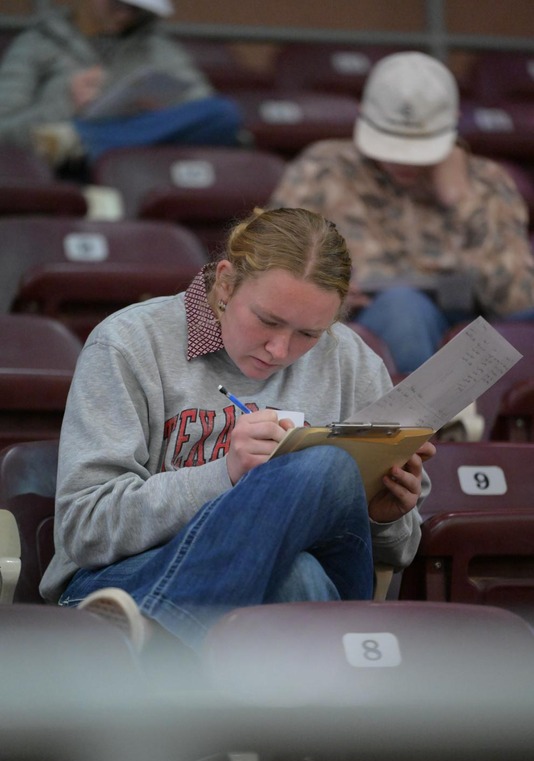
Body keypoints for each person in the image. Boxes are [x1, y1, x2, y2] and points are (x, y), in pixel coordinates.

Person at [39, 207, 434, 657]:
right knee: (298, 575)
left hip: (149, 612)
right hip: (133, 576)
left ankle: (162, 628)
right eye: (267, 321)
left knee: (326, 472)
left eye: (309, 334)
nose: (280, 349)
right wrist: (224, 474)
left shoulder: (353, 360)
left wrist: (384, 515)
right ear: (225, 283)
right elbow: (84, 528)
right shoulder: (130, 341)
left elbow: (400, 552)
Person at [269, 51, 534, 374]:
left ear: (452, 122)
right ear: (361, 114)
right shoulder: (323, 168)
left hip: (473, 312)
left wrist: (461, 199)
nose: (405, 160)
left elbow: (518, 301)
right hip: (372, 314)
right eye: (392, 145)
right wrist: (325, 291)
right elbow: (270, 268)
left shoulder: (486, 179)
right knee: (403, 307)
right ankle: (422, 422)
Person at [0, 0, 242, 167]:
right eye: (116, 2)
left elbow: (204, 107)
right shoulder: (35, 44)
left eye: (136, 8)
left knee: (223, 113)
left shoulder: (158, 48)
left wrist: (161, 113)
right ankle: (81, 140)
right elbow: (4, 130)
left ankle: (83, 139)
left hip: (146, 162)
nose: (125, 14)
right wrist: (65, 101)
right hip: (67, 168)